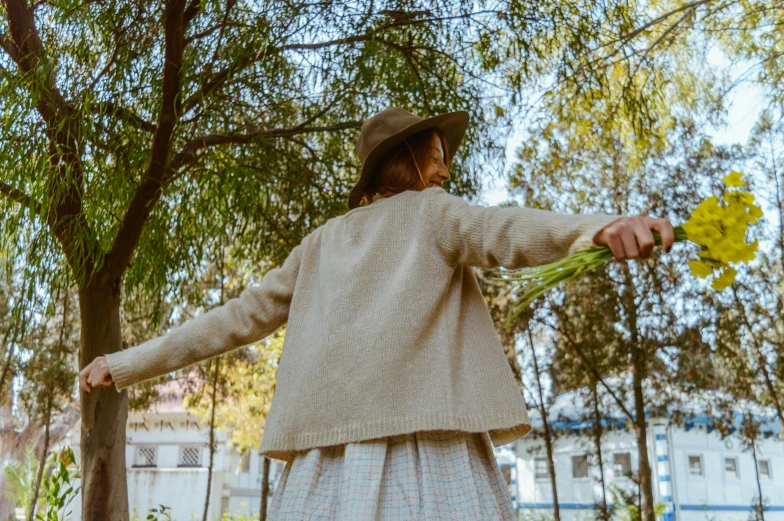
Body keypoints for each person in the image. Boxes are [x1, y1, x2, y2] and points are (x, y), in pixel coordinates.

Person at [80, 107, 674, 520]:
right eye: (438, 158)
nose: (446, 171)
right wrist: (597, 230)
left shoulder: (319, 243)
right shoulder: (432, 213)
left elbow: (231, 320)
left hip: (327, 469)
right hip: (431, 456)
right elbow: (506, 230)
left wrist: (125, 362)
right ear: (408, 162)